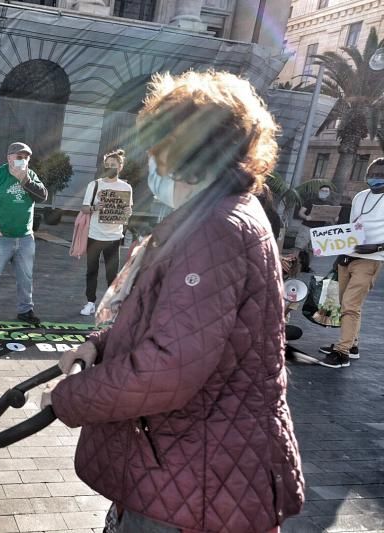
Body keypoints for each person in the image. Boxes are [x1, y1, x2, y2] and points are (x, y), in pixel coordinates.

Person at [41, 71, 304, 532]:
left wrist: (70, 398)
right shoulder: (227, 214)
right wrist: (101, 346)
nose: (153, 163)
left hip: (195, 473)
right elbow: (178, 322)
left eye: (161, 148)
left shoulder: (216, 229)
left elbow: (169, 366)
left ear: (189, 155)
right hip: (194, 462)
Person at [0, 142, 48, 326]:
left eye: (26, 157)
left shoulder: (30, 175)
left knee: (26, 277)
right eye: (19, 156)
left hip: (25, 237)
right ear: (9, 158)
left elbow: (42, 196)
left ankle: (25, 311)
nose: (23, 160)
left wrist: (25, 180)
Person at [318, 159, 384, 367]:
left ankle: (342, 352)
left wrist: (377, 248)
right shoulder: (359, 196)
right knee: (346, 304)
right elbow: (352, 226)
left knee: (350, 306)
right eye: (372, 173)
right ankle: (352, 344)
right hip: (348, 256)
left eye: (381, 174)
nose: (376, 177)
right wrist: (340, 251)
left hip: (370, 259)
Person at [80, 149, 133, 316]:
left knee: (112, 274)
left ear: (120, 167)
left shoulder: (126, 187)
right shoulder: (95, 185)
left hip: (114, 237)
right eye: (108, 165)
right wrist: (96, 207)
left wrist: (127, 211)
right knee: (92, 271)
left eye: (114, 165)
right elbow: (84, 208)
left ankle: (111, 305)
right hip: (95, 235)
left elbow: (128, 209)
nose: (110, 167)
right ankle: (90, 303)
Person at [297, 184, 338, 272]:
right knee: (298, 247)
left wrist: (334, 218)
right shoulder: (310, 201)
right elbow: (301, 212)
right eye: (322, 191)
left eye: (326, 191)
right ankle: (291, 265)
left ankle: (307, 267)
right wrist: (306, 217)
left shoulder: (330, 204)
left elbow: (335, 218)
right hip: (306, 227)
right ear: (319, 191)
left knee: (313, 250)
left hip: (319, 230)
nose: (324, 192)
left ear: (329, 193)